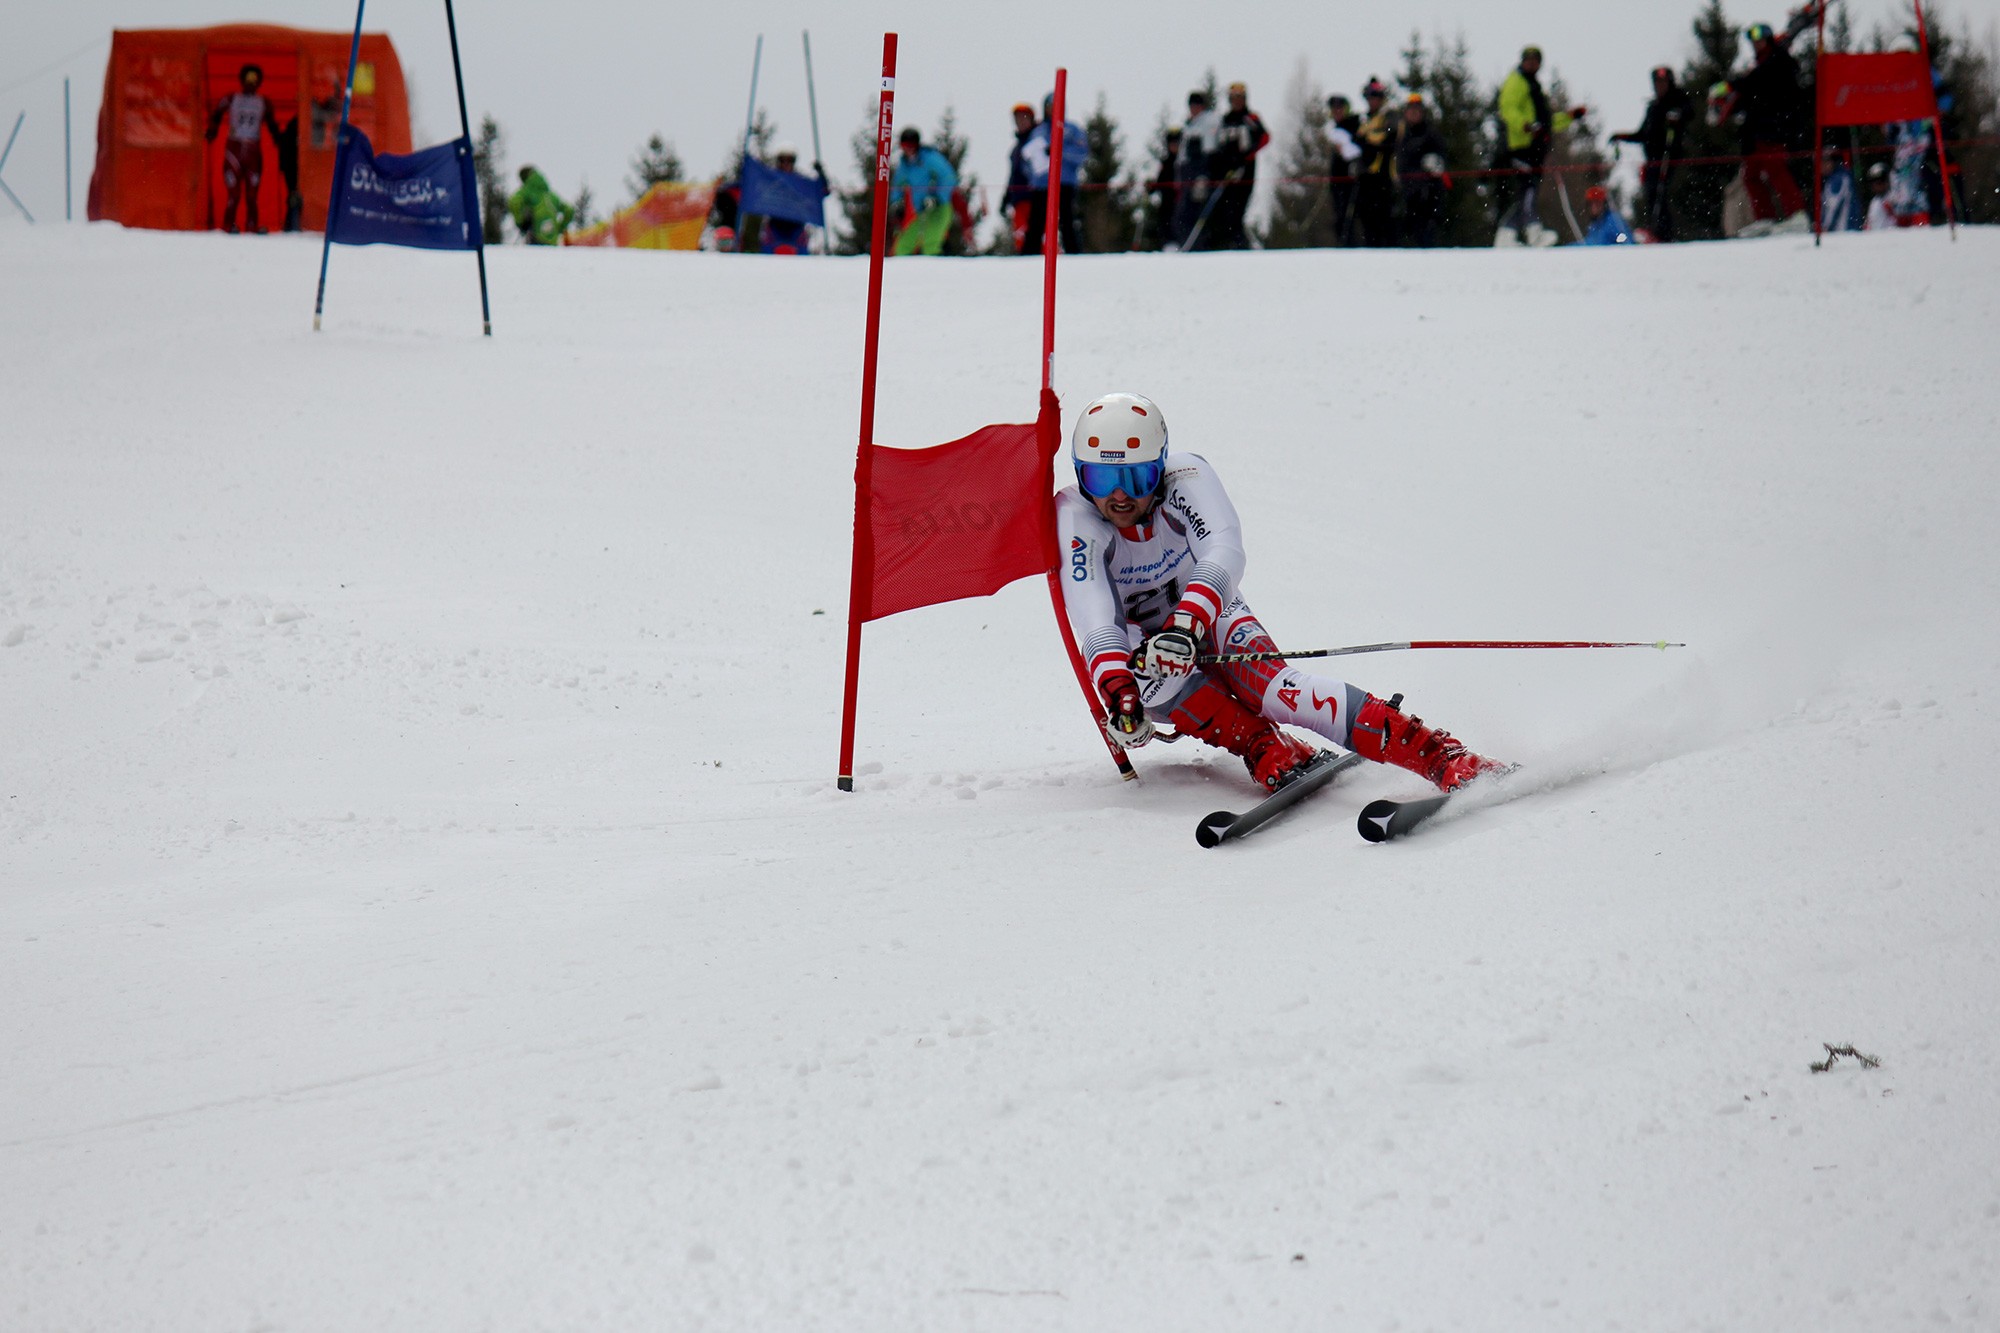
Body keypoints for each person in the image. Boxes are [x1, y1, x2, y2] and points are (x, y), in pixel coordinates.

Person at [1058, 392, 1504, 794]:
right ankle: (1261, 744)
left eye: (1135, 480)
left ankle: (1440, 755)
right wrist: (1122, 699)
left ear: (1159, 468)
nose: (1118, 497)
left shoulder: (1187, 476)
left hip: (1211, 611)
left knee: (1275, 691)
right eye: (1100, 480)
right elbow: (1096, 620)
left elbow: (1224, 550)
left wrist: (1186, 624)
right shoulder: (1076, 520)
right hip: (1146, 647)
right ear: (1081, 476)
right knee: (1143, 684)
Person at [1496, 45, 1587, 246]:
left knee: (1528, 191)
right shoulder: (1516, 81)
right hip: (1521, 147)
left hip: (1535, 149)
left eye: (1535, 60)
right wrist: (1526, 126)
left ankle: (1505, 234)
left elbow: (1546, 122)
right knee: (1528, 190)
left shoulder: (1533, 85)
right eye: (1528, 60)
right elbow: (1507, 108)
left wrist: (1569, 117)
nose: (1532, 64)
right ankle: (1533, 232)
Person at [1730, 22, 1810, 225]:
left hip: (1775, 129)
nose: (1756, 45)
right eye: (1753, 42)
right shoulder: (1760, 63)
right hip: (1758, 132)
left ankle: (1797, 214)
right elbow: (1750, 91)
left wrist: (1734, 84)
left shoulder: (1778, 60)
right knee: (1751, 175)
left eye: (1760, 40)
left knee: (1776, 170)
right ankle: (1765, 218)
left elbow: (1759, 81)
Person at [1610, 66, 1694, 241]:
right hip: (1653, 161)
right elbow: (1642, 135)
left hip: (1671, 157)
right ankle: (1657, 232)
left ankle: (1666, 233)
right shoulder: (1653, 108)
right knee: (1652, 194)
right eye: (1657, 82)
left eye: (1663, 82)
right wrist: (1621, 136)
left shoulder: (1677, 99)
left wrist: (1677, 115)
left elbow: (1689, 111)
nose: (1659, 86)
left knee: (1662, 193)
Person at [205, 63, 282, 234]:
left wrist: (278, 138)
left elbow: (272, 123)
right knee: (233, 194)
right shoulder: (232, 98)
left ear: (259, 82)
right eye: (248, 79)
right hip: (234, 149)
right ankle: (228, 225)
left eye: (254, 80)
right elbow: (216, 113)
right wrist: (212, 131)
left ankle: (252, 226)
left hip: (253, 151)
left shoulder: (264, 102)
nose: (250, 83)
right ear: (242, 80)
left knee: (252, 195)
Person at [1206, 81, 1270, 250]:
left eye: (1240, 98)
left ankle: (1243, 245)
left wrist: (1246, 157)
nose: (1237, 101)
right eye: (1234, 98)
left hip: (1245, 171)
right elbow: (1217, 146)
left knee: (1237, 211)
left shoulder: (1251, 118)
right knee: (1223, 212)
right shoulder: (1224, 120)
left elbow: (1264, 138)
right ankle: (1228, 245)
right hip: (1226, 172)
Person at [1022, 93, 1086, 254]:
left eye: (1057, 106)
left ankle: (1074, 253)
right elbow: (1026, 159)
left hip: (1065, 183)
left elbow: (1082, 153)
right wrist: (1033, 177)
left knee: (1068, 221)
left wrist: (1059, 151)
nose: (1053, 110)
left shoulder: (1072, 130)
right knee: (1036, 222)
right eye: (1050, 106)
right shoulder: (1038, 131)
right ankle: (1028, 255)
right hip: (1042, 185)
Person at [889, 127, 959, 256]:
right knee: (903, 246)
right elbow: (897, 185)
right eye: (905, 145)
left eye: (911, 145)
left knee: (931, 244)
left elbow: (949, 177)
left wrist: (937, 197)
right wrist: (896, 202)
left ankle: (933, 271)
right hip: (921, 210)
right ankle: (900, 271)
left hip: (940, 208)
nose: (908, 148)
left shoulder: (930, 158)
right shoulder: (905, 165)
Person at [1395, 94, 1450, 248]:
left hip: (1428, 196)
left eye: (1417, 110)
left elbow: (1442, 161)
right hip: (1408, 196)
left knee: (1427, 236)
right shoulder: (1403, 135)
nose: (1413, 113)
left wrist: (1434, 165)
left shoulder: (1431, 134)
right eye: (1410, 110)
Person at [757, 145, 830, 255]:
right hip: (775, 225)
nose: (786, 164)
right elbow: (755, 191)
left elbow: (822, 192)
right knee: (768, 252)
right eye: (782, 160)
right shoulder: (770, 180)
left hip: (796, 225)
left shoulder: (800, 182)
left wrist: (821, 175)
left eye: (790, 160)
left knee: (801, 255)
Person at [1352, 78, 1399, 248]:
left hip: (1384, 176)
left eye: (1376, 97)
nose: (1372, 101)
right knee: (1366, 219)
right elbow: (1358, 139)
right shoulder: (1366, 119)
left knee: (1385, 219)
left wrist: (1369, 139)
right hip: (1365, 176)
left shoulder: (1389, 115)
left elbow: (1389, 136)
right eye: (1370, 97)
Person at [1175, 91, 1221, 249]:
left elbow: (1209, 151)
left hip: (1200, 173)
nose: (1194, 109)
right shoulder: (1190, 124)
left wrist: (1203, 175)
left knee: (1198, 213)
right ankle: (1187, 244)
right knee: (1184, 213)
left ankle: (1200, 246)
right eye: (1191, 106)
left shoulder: (1209, 122)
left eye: (1197, 105)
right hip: (1187, 174)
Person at [1325, 94, 1363, 245]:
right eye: (1334, 109)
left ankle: (1350, 245)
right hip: (1337, 180)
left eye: (1340, 108)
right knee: (1340, 217)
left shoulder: (1354, 124)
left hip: (1352, 180)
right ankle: (1344, 245)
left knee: (1349, 217)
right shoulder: (1336, 128)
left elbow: (1357, 150)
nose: (1337, 112)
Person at [509, 165, 575, 245]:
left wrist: (520, 222)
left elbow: (514, 202)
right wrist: (559, 228)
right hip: (552, 239)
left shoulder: (526, 191)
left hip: (535, 235)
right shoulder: (552, 195)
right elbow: (569, 210)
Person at [1004, 102, 1038, 253]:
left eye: (1024, 118)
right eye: (1018, 119)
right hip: (1019, 200)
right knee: (1020, 235)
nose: (1021, 122)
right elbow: (1013, 176)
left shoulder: (1038, 141)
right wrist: (1006, 197)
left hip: (1036, 198)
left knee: (1039, 234)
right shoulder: (1016, 149)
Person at [1147, 126, 1185, 250]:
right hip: (1167, 202)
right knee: (1165, 225)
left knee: (1178, 225)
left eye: (1176, 143)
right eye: (1172, 143)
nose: (1174, 146)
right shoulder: (1166, 162)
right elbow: (1159, 181)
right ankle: (1167, 247)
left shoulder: (1184, 162)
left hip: (1180, 202)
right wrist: (1151, 187)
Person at [1818, 146, 1861, 232]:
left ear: (1831, 162)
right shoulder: (1838, 177)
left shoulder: (1838, 179)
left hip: (1843, 231)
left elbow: (1833, 207)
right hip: (1847, 230)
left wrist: (1825, 227)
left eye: (1822, 162)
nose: (1820, 166)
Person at [1863, 160, 1895, 230]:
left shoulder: (1894, 198)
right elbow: (1869, 224)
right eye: (1874, 182)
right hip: (1877, 238)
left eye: (1881, 180)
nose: (1877, 185)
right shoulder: (1874, 202)